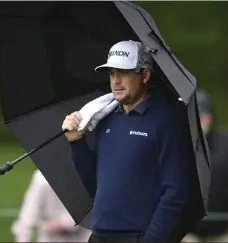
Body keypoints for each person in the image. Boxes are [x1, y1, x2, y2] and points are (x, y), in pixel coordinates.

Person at [62, 40, 199, 243]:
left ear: (145, 75)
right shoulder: (105, 118)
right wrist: (76, 142)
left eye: (124, 73)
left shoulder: (166, 121)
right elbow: (94, 187)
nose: (116, 81)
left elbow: (176, 194)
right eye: (111, 73)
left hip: (138, 237)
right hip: (99, 236)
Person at [182, 89, 228, 243]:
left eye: (201, 116)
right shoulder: (177, 144)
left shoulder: (226, 144)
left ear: (210, 117)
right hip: (187, 234)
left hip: (222, 232)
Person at [11, 169, 91, 242]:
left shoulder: (85, 176)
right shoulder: (41, 179)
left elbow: (78, 220)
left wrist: (57, 224)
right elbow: (27, 219)